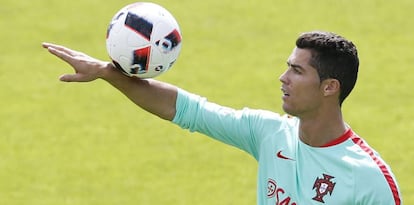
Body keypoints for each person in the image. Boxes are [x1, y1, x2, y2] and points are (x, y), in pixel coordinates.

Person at [42, 31, 402, 204]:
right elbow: (186, 109)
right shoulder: (269, 133)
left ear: (330, 87)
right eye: (286, 67)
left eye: (296, 71)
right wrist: (108, 72)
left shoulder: (369, 180)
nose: (283, 78)